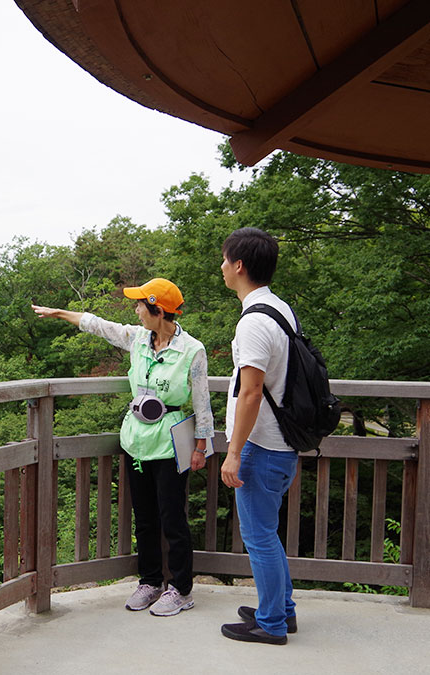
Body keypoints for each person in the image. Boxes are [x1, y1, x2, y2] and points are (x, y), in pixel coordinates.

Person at [32, 277, 214, 617]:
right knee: (144, 517)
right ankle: (150, 581)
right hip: (136, 441)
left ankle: (181, 588)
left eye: (140, 305)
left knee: (172, 517)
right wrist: (60, 313)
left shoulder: (192, 350)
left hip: (172, 443)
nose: (135, 310)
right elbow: (99, 326)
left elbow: (202, 403)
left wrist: (201, 446)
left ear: (158, 310)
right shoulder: (138, 339)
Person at [219, 227, 299, 646]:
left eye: (224, 259)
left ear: (239, 266)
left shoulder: (254, 321)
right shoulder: (281, 309)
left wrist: (233, 454)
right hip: (281, 444)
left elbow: (250, 391)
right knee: (268, 533)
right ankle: (282, 610)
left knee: (259, 538)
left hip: (261, 446)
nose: (221, 266)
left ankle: (271, 624)